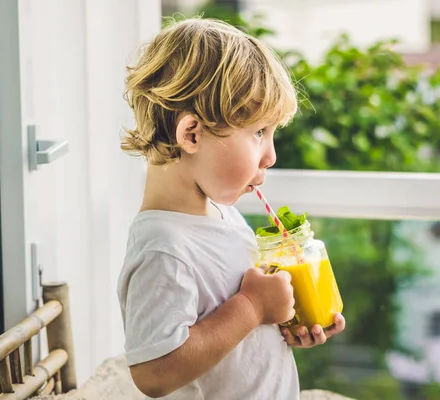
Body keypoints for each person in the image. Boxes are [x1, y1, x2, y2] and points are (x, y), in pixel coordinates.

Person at [116, 17, 345, 399]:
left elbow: (229, 331)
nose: (270, 156)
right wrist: (253, 307)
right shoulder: (163, 249)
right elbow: (153, 373)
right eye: (258, 133)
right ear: (192, 134)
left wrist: (281, 319)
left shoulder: (224, 215)